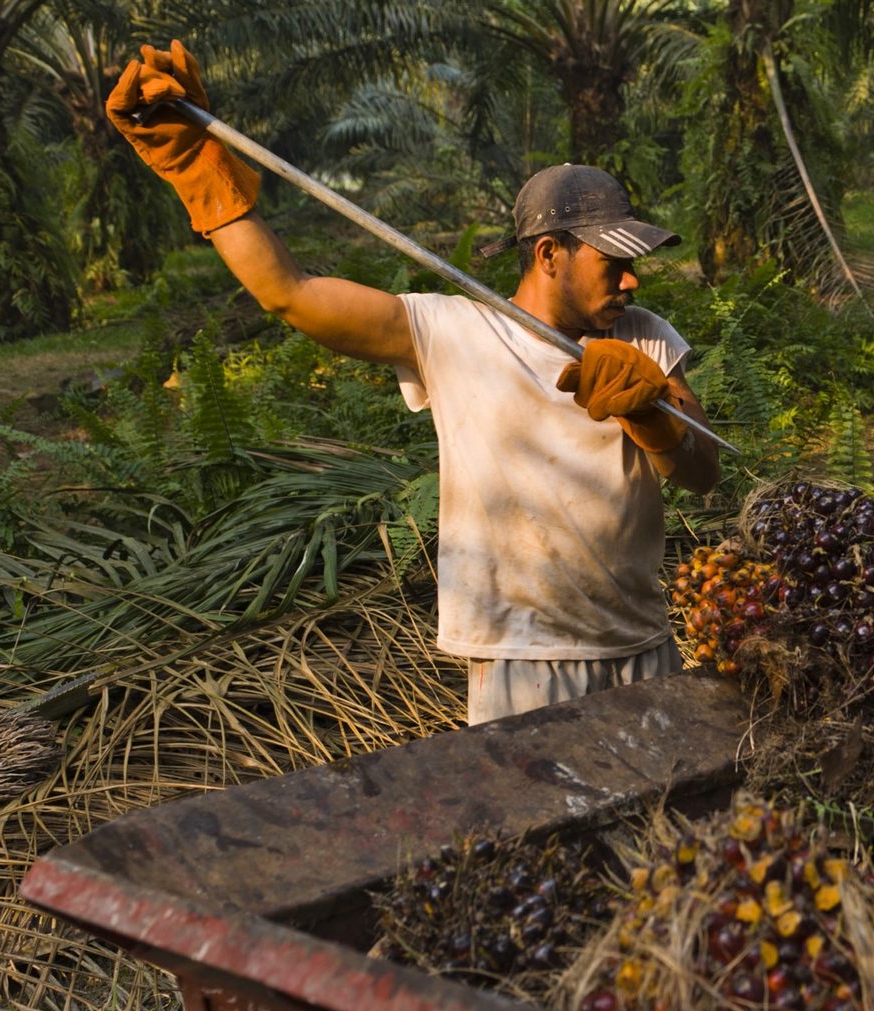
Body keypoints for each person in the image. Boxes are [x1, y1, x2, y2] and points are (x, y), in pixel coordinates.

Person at [105, 41, 720, 724]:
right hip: (523, 662)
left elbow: (704, 470)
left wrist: (655, 413)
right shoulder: (454, 334)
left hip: (644, 649)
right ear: (550, 254)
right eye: (614, 262)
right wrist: (200, 173)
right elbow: (291, 294)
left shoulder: (645, 337)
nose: (632, 280)